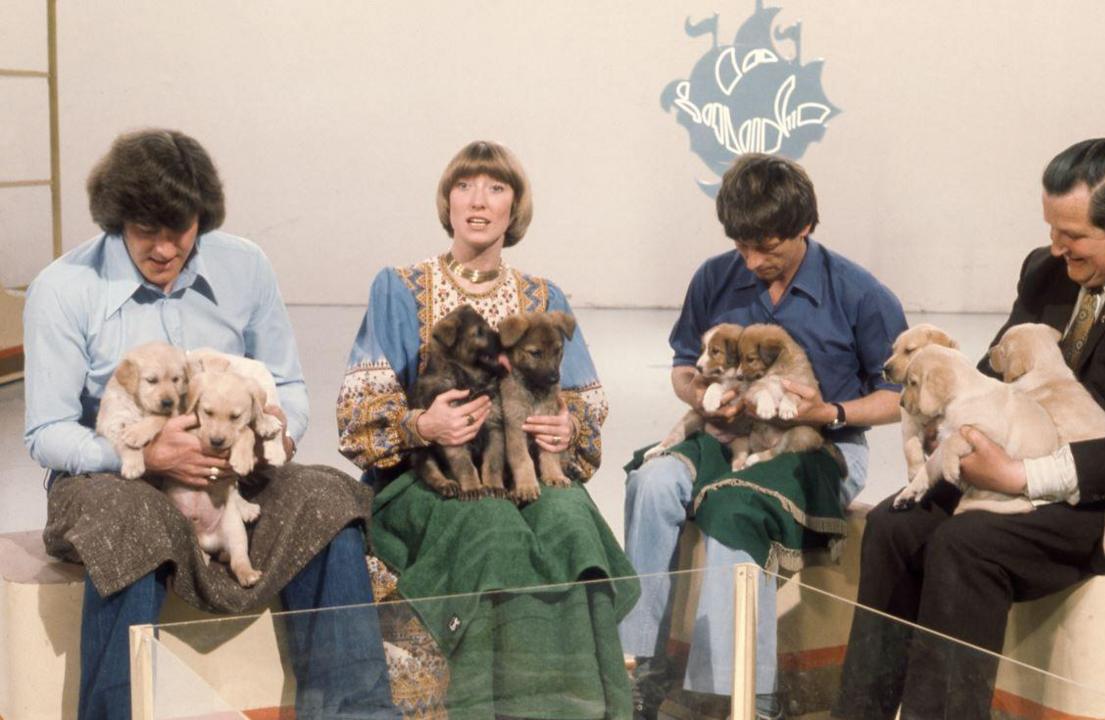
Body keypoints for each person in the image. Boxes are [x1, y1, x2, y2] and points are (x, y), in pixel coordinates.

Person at [832, 138, 1105, 719]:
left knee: (965, 546)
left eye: (1072, 237)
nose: (1055, 248)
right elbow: (995, 379)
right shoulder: (1046, 272)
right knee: (894, 528)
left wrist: (1020, 477)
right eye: (1051, 230)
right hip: (1019, 453)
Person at [23, 129, 393, 720]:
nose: (166, 249)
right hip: (112, 480)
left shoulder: (245, 265)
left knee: (325, 496)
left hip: (233, 473)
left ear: (204, 219)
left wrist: (277, 430)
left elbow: (290, 388)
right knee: (133, 518)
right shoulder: (65, 289)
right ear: (116, 221)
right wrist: (145, 454)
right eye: (147, 232)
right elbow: (45, 433)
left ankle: (359, 713)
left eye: (182, 231)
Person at [337, 140, 638, 720]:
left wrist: (564, 430)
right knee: (493, 525)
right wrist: (423, 422)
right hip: (428, 482)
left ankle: (584, 708)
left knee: (572, 518)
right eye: (464, 186)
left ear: (514, 208)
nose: (478, 201)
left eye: (495, 188)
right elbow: (356, 419)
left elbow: (587, 417)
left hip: (525, 473)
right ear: (446, 201)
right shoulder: (399, 288)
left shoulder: (544, 297)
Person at [622, 153, 907, 720]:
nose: (752, 261)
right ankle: (639, 668)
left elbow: (899, 396)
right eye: (741, 245)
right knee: (652, 483)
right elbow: (683, 365)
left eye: (767, 246)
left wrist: (830, 411)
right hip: (726, 433)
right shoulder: (714, 277)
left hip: (819, 444)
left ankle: (743, 697)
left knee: (736, 507)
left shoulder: (858, 292)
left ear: (805, 225)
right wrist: (703, 396)